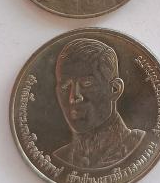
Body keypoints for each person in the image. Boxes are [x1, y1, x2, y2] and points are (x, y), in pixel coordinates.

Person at [53, 37, 145, 170]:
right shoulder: (60, 157)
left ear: (115, 89)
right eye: (65, 86)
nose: (73, 97)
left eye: (87, 83)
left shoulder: (138, 145)